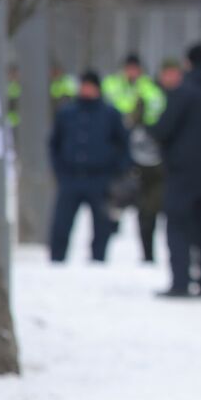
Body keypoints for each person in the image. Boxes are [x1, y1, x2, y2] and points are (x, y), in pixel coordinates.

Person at [148, 42, 201, 298]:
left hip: (182, 171)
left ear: (188, 62)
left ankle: (180, 282)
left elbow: (163, 128)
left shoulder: (184, 91)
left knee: (177, 225)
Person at [47, 70, 131, 263]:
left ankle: (98, 258)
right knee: (61, 223)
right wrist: (59, 169)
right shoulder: (67, 112)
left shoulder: (110, 113)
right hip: (71, 176)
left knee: (102, 224)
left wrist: (117, 171)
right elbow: (55, 143)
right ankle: (57, 258)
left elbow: (123, 144)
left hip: (100, 177)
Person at [103, 53, 169, 262]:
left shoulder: (149, 89)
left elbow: (155, 115)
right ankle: (109, 234)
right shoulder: (111, 84)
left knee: (145, 204)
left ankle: (146, 251)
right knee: (113, 195)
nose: (131, 72)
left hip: (142, 151)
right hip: (117, 146)